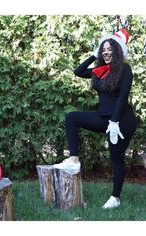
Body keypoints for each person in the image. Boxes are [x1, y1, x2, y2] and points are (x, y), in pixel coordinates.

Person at [53, 29, 137, 209]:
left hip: (122, 119)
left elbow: (122, 98)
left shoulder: (125, 69)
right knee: (72, 117)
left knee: (116, 157)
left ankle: (115, 197)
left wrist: (114, 122)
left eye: (110, 49)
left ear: (117, 51)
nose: (106, 52)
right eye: (103, 49)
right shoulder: (99, 71)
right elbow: (78, 71)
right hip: (103, 117)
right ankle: (74, 159)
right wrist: (93, 54)